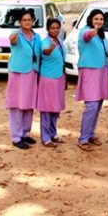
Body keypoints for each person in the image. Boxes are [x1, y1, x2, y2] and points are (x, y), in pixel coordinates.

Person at [4, 9, 42, 150]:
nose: (27, 22)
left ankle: (25, 133)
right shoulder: (16, 35)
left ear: (33, 21)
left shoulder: (37, 37)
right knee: (17, 105)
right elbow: (13, 41)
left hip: (32, 73)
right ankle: (16, 137)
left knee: (29, 104)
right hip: (18, 74)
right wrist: (13, 40)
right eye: (24, 20)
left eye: (29, 19)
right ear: (20, 22)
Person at [76, 9, 108, 151]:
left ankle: (90, 134)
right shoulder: (85, 31)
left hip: (102, 71)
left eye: (101, 19)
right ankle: (83, 138)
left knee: (98, 104)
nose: (99, 22)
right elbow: (87, 36)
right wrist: (92, 32)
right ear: (90, 19)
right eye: (96, 19)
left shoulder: (102, 34)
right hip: (90, 71)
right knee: (91, 105)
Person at [37, 18, 67, 147]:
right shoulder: (45, 42)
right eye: (52, 28)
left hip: (59, 79)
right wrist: (50, 49)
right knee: (46, 109)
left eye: (57, 27)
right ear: (48, 29)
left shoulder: (60, 41)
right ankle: (45, 138)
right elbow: (46, 51)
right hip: (48, 79)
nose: (55, 30)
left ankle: (53, 134)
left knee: (56, 109)